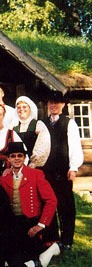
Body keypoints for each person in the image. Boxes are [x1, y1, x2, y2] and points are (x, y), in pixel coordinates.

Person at [0, 142, 62, 267]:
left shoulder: (36, 174)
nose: (17, 158)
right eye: (13, 156)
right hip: (13, 224)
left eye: (20, 155)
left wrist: (40, 225)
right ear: (8, 159)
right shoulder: (4, 178)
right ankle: (49, 252)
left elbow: (51, 200)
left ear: (24, 158)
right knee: (13, 258)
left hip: (31, 223)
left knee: (23, 260)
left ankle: (49, 251)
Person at [42, 91, 83, 249]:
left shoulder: (69, 123)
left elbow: (74, 146)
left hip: (63, 170)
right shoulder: (43, 123)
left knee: (65, 206)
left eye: (57, 103)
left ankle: (66, 240)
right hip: (46, 171)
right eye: (51, 102)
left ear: (63, 105)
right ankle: (52, 238)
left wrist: (73, 167)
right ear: (47, 104)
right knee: (48, 204)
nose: (53, 105)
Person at [13, 96, 51, 168]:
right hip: (16, 167)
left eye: (24, 107)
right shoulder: (13, 127)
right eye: (19, 107)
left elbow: (43, 146)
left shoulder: (38, 125)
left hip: (33, 167)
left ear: (30, 109)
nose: (21, 109)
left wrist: (32, 164)